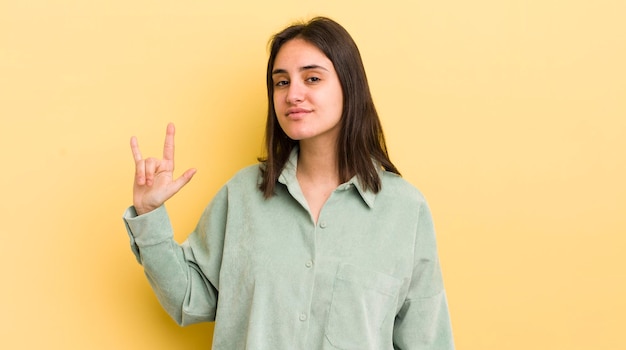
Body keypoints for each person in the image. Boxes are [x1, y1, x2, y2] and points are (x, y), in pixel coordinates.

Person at [123, 16, 454, 349]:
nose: (293, 94)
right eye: (281, 82)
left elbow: (428, 340)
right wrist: (149, 213)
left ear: (349, 85)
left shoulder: (405, 211)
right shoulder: (242, 195)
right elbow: (190, 299)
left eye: (312, 78)